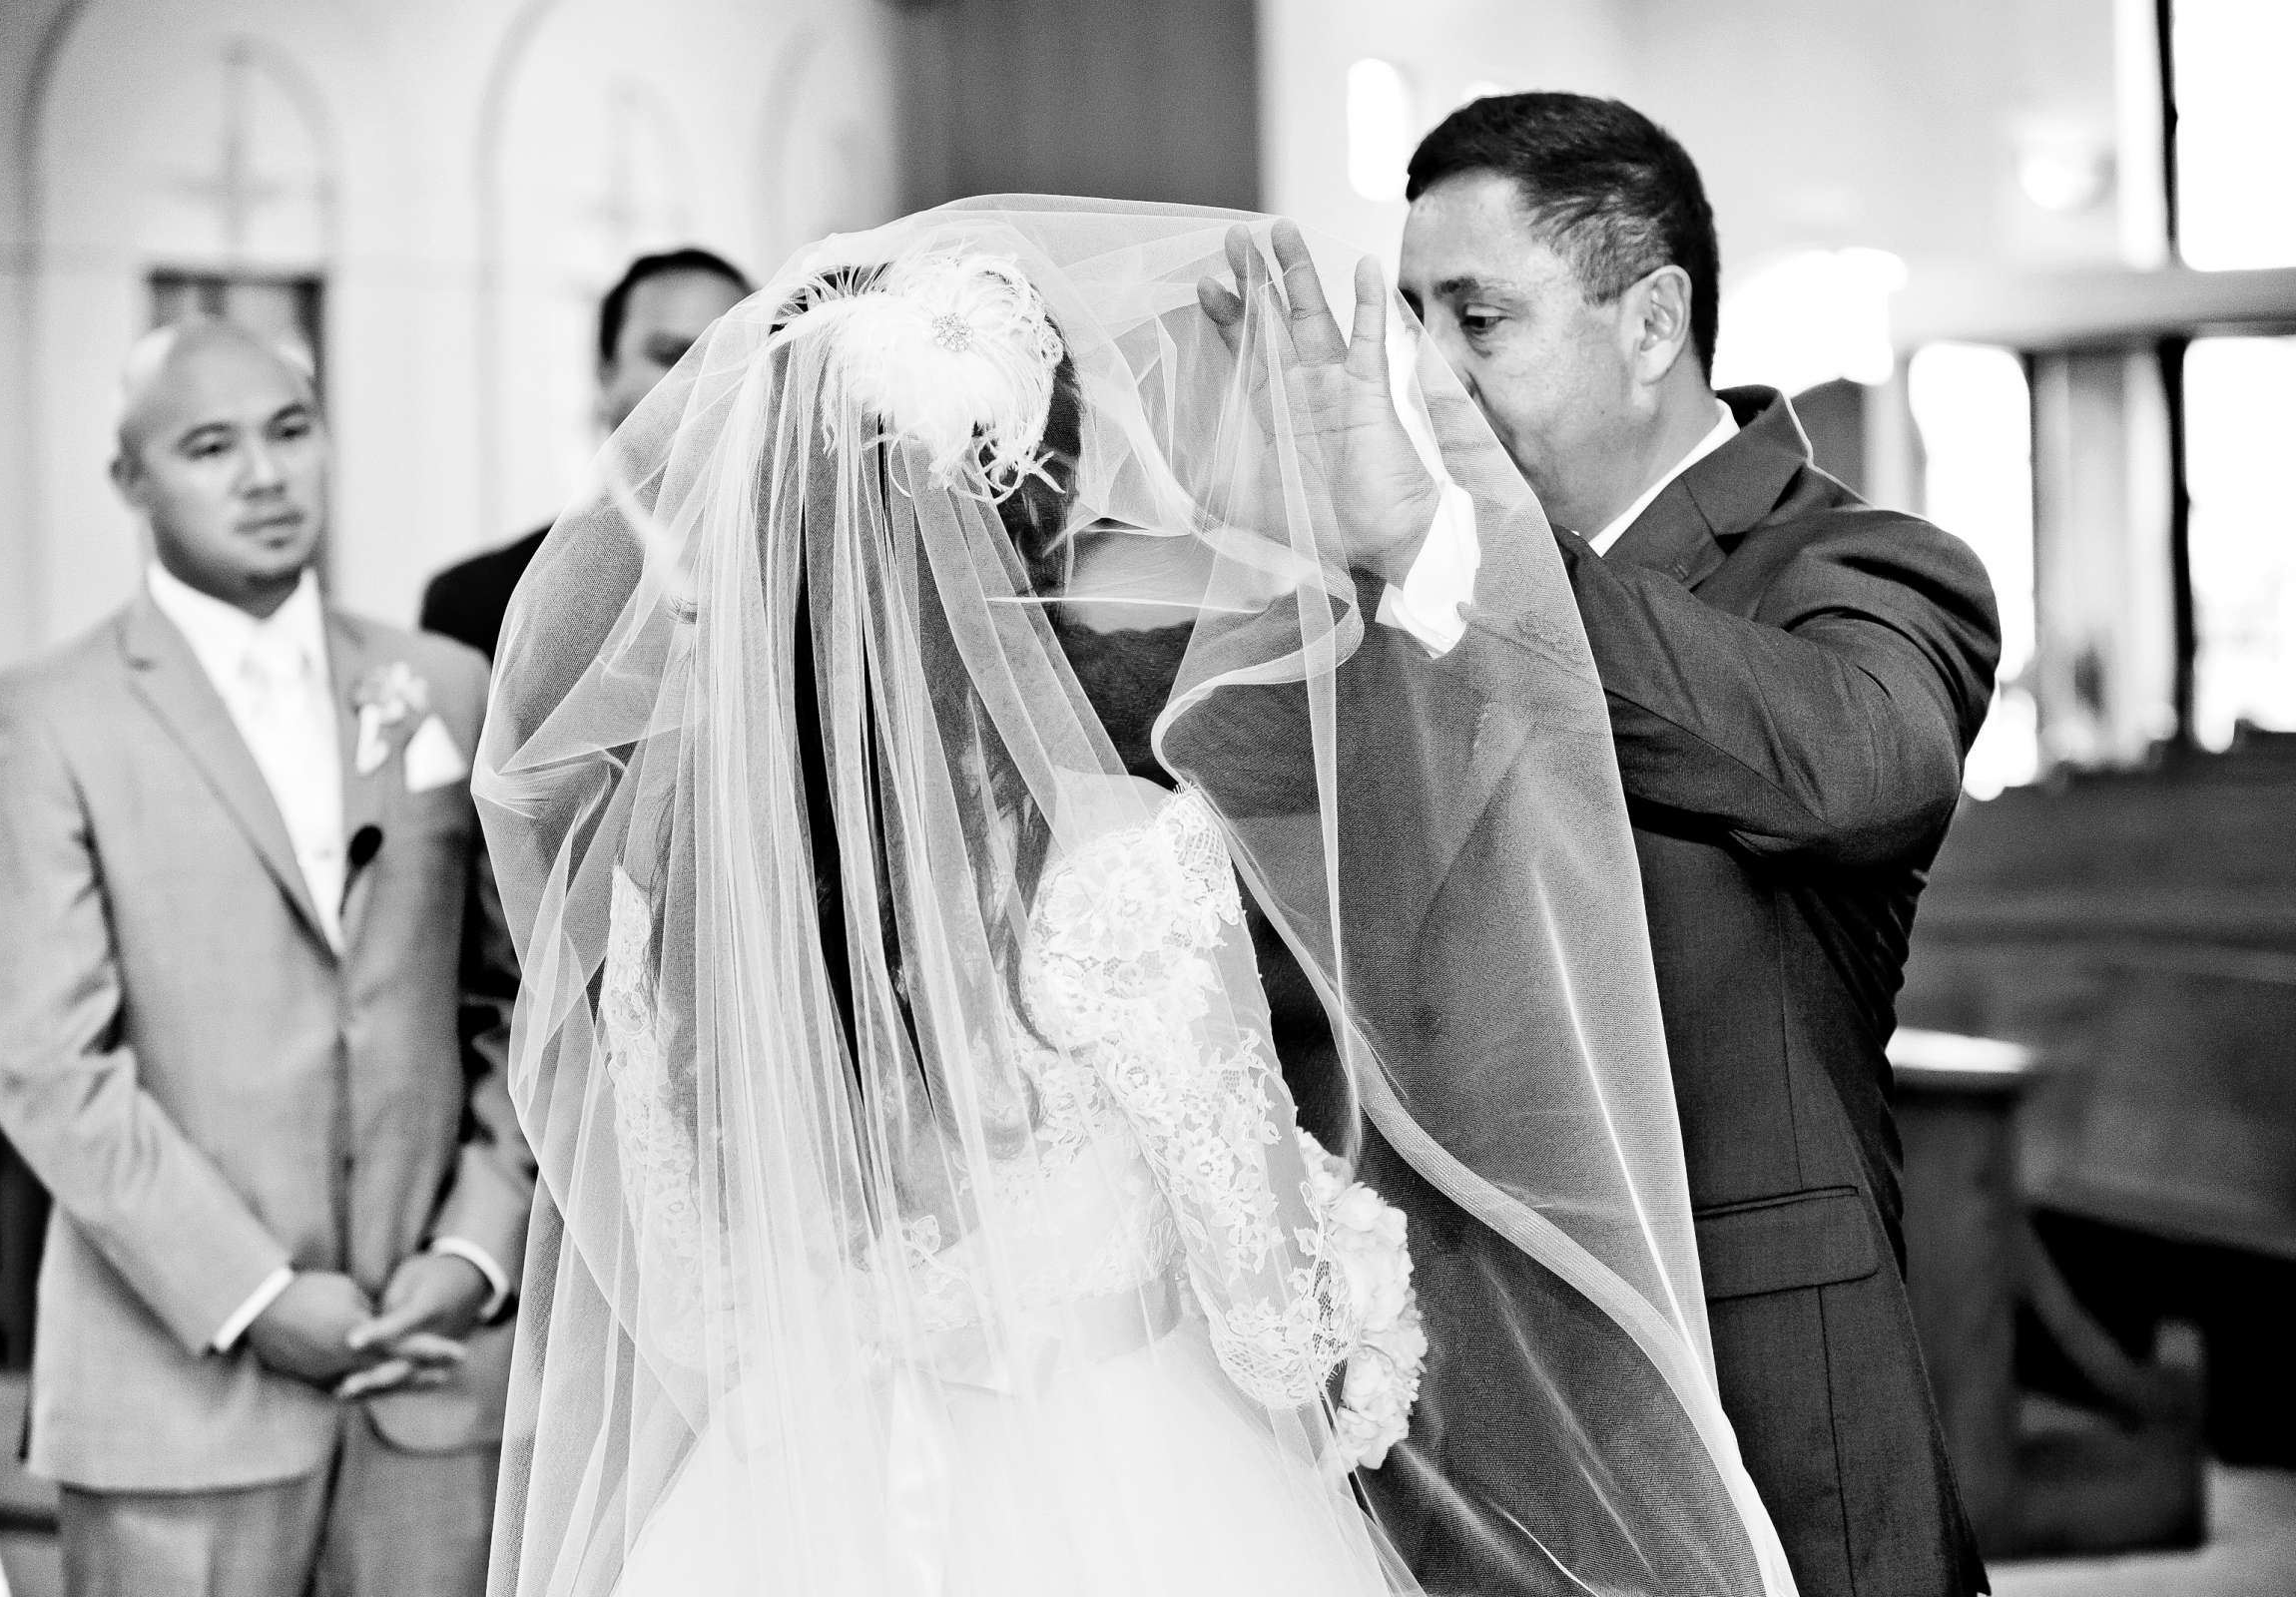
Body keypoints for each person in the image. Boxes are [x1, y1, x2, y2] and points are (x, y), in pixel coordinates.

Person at [475, 202, 1799, 1597]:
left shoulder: (659, 894)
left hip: (780, 1510)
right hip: (1110, 1497)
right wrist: (1347, 1265)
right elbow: (1278, 1322)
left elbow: (681, 1290)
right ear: (1029, 523)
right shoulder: (1108, 864)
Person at [1395, 94, 2001, 1597]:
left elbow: (1856, 767)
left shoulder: (1856, 565)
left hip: (1765, 1404)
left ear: (1652, 322)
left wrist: (1482, 554)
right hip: (1493, 1420)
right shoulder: (1422, 606)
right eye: (1410, 321)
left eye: (1478, 318)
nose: (1427, 374)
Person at [0, 317, 534, 1597]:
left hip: (431, 1382)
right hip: (177, 1387)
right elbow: (48, 1064)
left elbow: (523, 1001)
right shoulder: (38, 719)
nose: (266, 476)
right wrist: (258, 1295)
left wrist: (476, 1250)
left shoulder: (445, 686)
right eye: (210, 446)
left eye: (290, 431)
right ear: (129, 480)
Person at [419, 247, 752, 660]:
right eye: (674, 356)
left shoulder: (819, 579)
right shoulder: (483, 600)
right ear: (605, 373)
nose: (707, 382)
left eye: (732, 357)